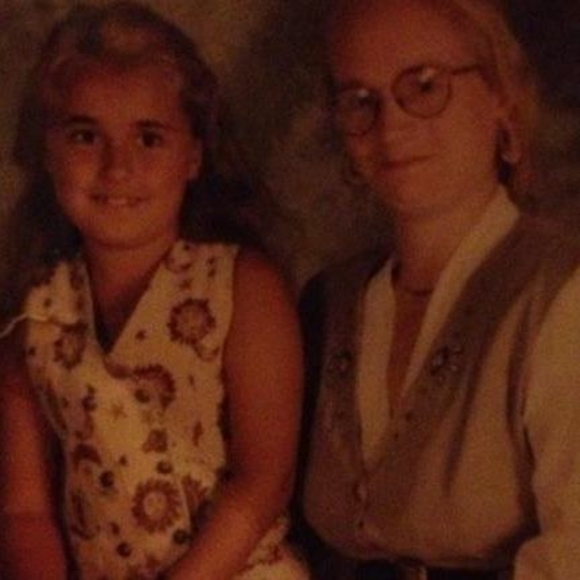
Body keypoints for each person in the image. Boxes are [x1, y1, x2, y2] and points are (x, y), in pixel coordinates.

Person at [0, 2, 310, 579]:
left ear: (193, 154)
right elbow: (26, 513)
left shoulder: (243, 287)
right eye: (86, 136)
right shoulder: (35, 314)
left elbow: (263, 482)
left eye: (148, 138)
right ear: (47, 150)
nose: (117, 168)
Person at [299, 0, 580, 578]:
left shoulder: (560, 293)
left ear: (501, 97)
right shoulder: (328, 303)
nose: (390, 125)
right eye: (360, 100)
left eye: (425, 85)